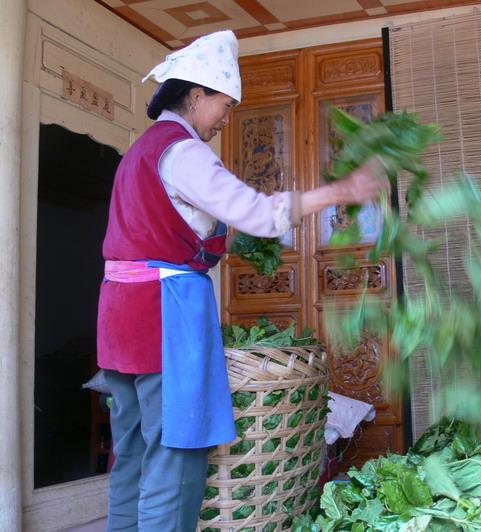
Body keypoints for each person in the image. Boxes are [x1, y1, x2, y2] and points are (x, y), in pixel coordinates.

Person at [96, 30, 387, 532]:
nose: (225, 119)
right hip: (165, 314)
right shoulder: (181, 151)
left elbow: (160, 232)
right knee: (175, 452)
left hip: (119, 314)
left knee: (133, 452)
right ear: (195, 96)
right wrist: (339, 190)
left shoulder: (138, 152)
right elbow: (256, 213)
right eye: (224, 105)